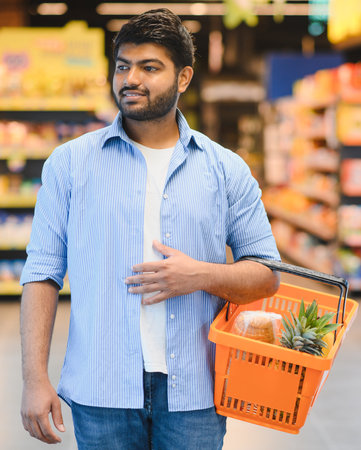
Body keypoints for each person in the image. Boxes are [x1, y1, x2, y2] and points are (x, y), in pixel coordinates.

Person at [20, 8, 280, 449]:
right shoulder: (70, 164)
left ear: (183, 78)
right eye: (123, 66)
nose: (130, 78)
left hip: (194, 391)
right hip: (100, 389)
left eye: (149, 67)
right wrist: (34, 379)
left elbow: (267, 274)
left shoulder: (225, 169)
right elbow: (41, 272)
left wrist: (202, 275)